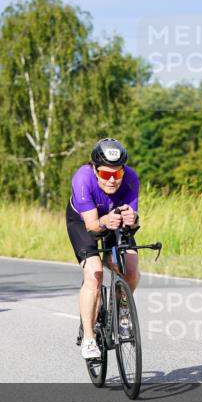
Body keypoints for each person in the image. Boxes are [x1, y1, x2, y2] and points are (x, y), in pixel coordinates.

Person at [66, 138, 140, 359]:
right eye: (106, 174)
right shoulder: (82, 179)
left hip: (113, 219)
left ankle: (122, 312)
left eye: (116, 174)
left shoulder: (131, 178)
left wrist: (133, 219)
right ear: (94, 169)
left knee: (131, 269)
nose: (111, 180)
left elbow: (132, 223)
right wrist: (105, 221)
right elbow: (92, 226)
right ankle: (89, 338)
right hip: (84, 223)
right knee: (95, 273)